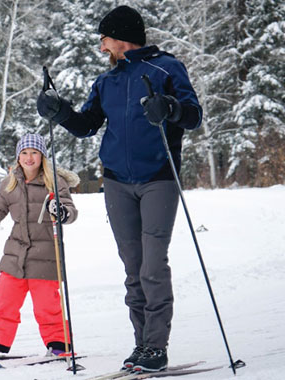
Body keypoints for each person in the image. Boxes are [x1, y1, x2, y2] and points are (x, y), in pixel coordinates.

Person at [34, 5, 203, 373]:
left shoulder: (167, 68)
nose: (101, 48)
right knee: (133, 267)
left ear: (121, 37)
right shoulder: (106, 83)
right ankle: (142, 344)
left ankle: (156, 346)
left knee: (153, 266)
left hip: (159, 177)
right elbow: (85, 125)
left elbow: (193, 115)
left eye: (104, 39)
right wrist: (58, 110)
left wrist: (169, 108)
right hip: (116, 183)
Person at [0, 133, 79, 358]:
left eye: (34, 153)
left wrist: (61, 211)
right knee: (4, 301)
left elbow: (70, 212)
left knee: (47, 306)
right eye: (24, 153)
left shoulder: (55, 182)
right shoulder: (9, 184)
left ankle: (59, 344)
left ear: (42, 156)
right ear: (18, 156)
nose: (29, 158)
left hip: (46, 255)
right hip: (15, 255)